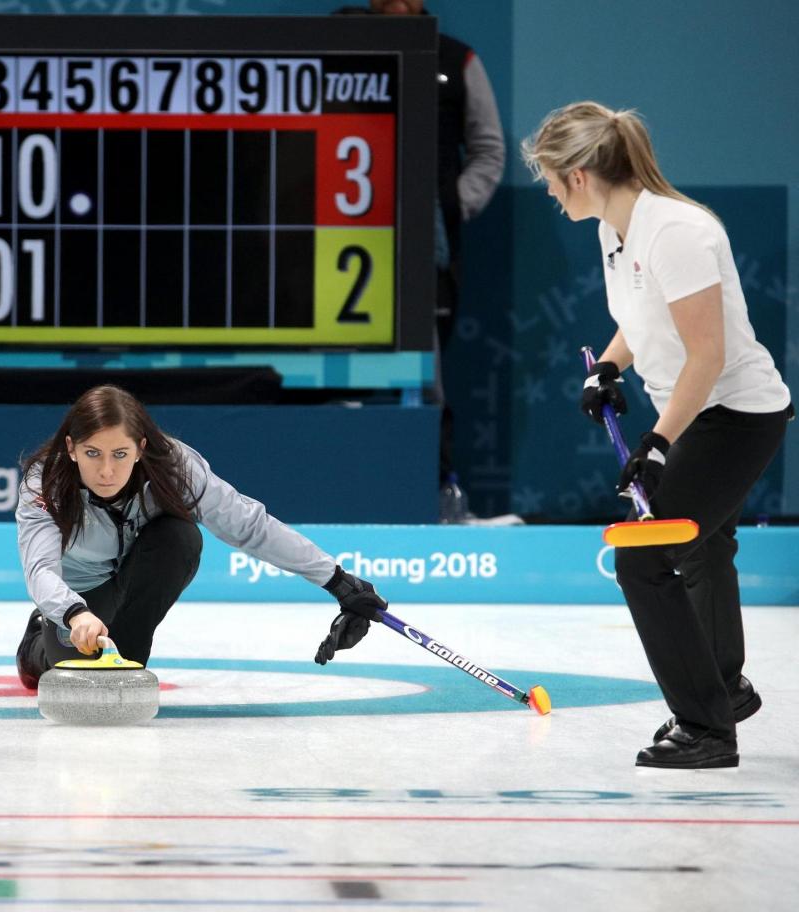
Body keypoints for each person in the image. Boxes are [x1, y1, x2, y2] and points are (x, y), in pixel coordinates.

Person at [521, 101, 793, 769]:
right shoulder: (617, 229)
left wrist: (658, 445)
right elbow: (648, 319)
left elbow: (706, 352)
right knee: (703, 548)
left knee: (644, 559)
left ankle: (705, 729)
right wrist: (611, 366)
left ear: (579, 174)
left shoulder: (676, 231)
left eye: (552, 180)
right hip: (700, 411)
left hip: (735, 414)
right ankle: (723, 690)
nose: (551, 194)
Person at [13, 385, 388, 685]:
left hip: (135, 585)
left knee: (181, 537)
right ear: (71, 449)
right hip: (80, 600)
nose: (107, 470)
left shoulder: (176, 469)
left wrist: (338, 582)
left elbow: (250, 527)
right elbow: (41, 569)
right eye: (93, 453)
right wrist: (74, 613)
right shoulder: (45, 483)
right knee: (66, 675)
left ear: (141, 448)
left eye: (120, 454)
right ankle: (38, 642)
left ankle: (128, 654)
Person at [336, 1, 505, 494]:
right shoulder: (337, 44)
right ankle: (339, 487)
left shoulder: (457, 60)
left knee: (424, 376)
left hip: (425, 250)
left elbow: (489, 149)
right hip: (335, 245)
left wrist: (449, 207)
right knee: (334, 381)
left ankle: (435, 491)